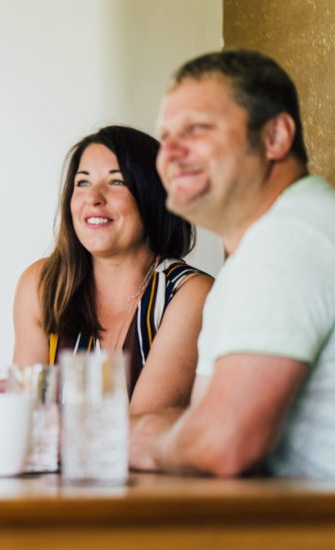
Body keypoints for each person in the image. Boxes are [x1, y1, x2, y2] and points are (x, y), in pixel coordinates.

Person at [0, 126, 212, 463]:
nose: (93, 197)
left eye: (116, 181)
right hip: (48, 500)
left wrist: (11, 439)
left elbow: (136, 435)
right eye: (82, 182)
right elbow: (26, 414)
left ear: (154, 195)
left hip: (145, 503)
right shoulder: (41, 285)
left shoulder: (190, 295)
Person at [129, 50, 335, 478]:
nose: (170, 153)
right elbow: (205, 422)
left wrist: (136, 437)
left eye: (197, 128)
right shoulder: (265, 245)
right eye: (165, 137)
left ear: (275, 137)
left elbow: (220, 444)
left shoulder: (291, 237)